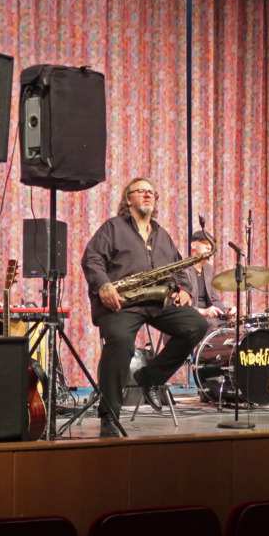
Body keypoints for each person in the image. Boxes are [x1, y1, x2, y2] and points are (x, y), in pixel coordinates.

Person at [82, 177, 208, 437]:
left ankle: (150, 376)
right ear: (128, 199)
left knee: (196, 325)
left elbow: (179, 267)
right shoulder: (113, 227)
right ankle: (110, 415)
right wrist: (104, 286)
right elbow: (92, 258)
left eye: (152, 192)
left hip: (157, 302)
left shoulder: (162, 233)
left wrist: (183, 290)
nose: (148, 195)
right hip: (121, 304)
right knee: (119, 342)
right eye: (141, 191)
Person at [185, 230, 236, 334]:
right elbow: (178, 305)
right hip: (190, 317)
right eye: (205, 244)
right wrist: (203, 312)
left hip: (209, 318)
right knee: (211, 324)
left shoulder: (209, 270)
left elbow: (214, 299)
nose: (209, 247)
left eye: (210, 245)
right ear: (193, 245)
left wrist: (226, 311)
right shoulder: (182, 269)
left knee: (234, 323)